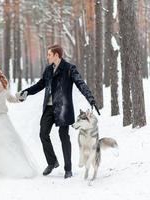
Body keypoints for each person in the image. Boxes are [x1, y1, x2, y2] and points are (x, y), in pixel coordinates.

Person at [17, 44, 96, 179]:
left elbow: (80, 84)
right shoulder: (48, 70)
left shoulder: (69, 69)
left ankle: (68, 169)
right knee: (43, 133)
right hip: (49, 108)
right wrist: (26, 92)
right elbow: (40, 85)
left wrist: (90, 98)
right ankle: (52, 162)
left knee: (64, 136)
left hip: (63, 108)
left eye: (49, 54)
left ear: (56, 55)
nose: (47, 57)